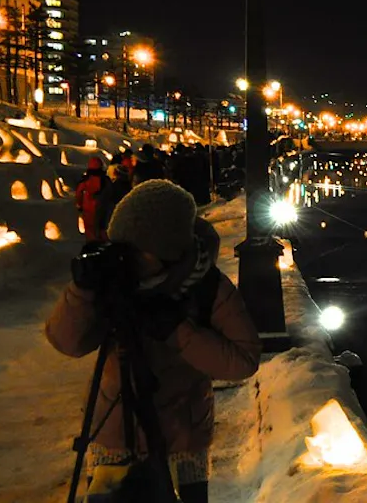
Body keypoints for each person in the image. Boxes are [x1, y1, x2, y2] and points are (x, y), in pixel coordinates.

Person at [45, 180, 262, 503]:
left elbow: (244, 359)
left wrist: (177, 330)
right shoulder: (117, 278)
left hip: (180, 440)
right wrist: (82, 290)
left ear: (167, 252)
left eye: (134, 250)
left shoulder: (206, 286)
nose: (124, 258)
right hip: (116, 434)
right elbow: (67, 342)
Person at [75, 157, 110, 242]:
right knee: (102, 228)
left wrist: (79, 204)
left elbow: (79, 193)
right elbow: (110, 192)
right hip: (102, 207)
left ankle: (92, 245)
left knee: (90, 230)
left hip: (88, 209)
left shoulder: (86, 180)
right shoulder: (105, 180)